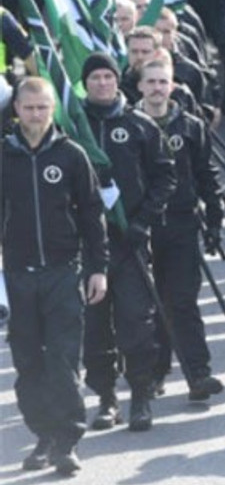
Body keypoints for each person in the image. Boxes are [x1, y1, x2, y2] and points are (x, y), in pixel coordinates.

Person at [3, 77, 108, 476]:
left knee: (63, 360)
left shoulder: (72, 155)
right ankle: (42, 436)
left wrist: (98, 268)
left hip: (64, 272)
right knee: (28, 361)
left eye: (43, 107)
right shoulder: (4, 156)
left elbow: (91, 214)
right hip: (17, 275)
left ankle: (66, 441)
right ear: (17, 109)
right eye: (29, 108)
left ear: (53, 109)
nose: (35, 115)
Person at [80, 52, 176, 433]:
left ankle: (140, 394)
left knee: (136, 322)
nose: (102, 83)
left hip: (130, 242)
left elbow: (165, 177)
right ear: (84, 83)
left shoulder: (140, 125)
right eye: (94, 78)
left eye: (107, 76)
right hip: (89, 245)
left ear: (118, 80)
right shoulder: (74, 127)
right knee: (96, 326)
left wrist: (142, 223)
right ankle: (106, 398)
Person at [135, 56, 225, 402]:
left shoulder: (189, 126)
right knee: (149, 305)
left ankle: (198, 374)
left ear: (172, 85)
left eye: (163, 81)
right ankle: (154, 373)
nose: (157, 88)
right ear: (140, 85)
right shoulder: (128, 126)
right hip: (141, 228)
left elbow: (206, 174)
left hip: (181, 223)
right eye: (151, 81)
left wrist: (214, 220)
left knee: (183, 301)